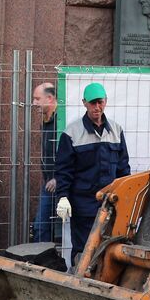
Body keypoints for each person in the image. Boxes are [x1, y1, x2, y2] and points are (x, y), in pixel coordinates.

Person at [55, 82, 130, 264]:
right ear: (84, 103)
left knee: (109, 251)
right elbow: (64, 169)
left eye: (100, 102)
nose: (97, 107)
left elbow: (123, 167)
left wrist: (125, 196)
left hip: (110, 204)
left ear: (106, 102)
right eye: (92, 103)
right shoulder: (72, 133)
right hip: (83, 205)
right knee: (83, 251)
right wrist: (63, 196)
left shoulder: (116, 131)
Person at [30, 81, 62, 243]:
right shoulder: (47, 120)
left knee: (44, 227)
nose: (33, 103)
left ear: (49, 99)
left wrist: (58, 177)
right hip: (49, 183)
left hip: (60, 182)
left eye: (37, 99)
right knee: (42, 227)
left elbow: (68, 154)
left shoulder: (60, 122)